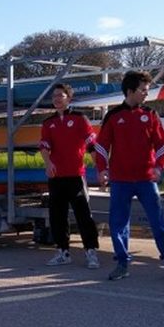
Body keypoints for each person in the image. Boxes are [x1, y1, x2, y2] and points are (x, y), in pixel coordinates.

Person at [93, 71, 164, 282]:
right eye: (143, 90)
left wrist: (159, 168)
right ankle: (122, 264)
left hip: (146, 179)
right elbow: (101, 146)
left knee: (157, 221)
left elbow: (162, 144)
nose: (146, 94)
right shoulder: (113, 116)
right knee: (119, 223)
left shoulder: (150, 114)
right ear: (130, 91)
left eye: (147, 90)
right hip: (121, 180)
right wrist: (102, 169)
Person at [39, 82, 100, 269]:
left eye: (60, 95)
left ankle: (91, 252)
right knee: (57, 216)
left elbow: (91, 145)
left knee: (83, 216)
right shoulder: (48, 123)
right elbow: (44, 146)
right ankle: (63, 252)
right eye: (54, 96)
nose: (57, 99)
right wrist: (48, 164)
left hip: (76, 176)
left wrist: (101, 169)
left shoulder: (80, 118)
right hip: (57, 178)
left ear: (69, 98)